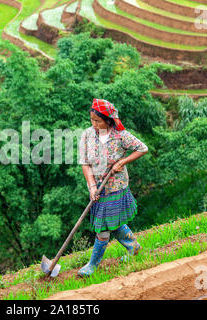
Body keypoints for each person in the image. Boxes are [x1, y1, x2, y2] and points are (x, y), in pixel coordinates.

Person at [77, 98, 148, 277]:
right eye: (92, 120)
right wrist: (92, 186)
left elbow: (142, 148)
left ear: (108, 121)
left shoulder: (121, 136)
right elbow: (85, 163)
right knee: (113, 223)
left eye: (98, 121)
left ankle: (93, 265)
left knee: (103, 228)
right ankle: (134, 248)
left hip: (116, 188)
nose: (94, 124)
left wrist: (122, 162)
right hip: (98, 189)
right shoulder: (87, 135)